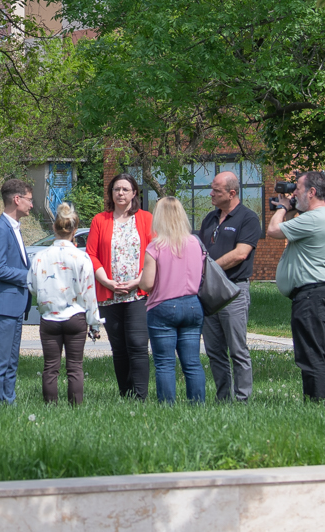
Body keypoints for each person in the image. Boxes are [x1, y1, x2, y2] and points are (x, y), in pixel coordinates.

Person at [268, 171, 325, 401]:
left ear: (312, 192)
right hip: (321, 294)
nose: (294, 194)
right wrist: (292, 208)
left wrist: (282, 208)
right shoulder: (322, 217)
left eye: (298, 189)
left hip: (312, 297)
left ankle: (316, 404)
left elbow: (273, 230)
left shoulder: (314, 219)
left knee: (310, 355)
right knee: (321, 353)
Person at [86, 173, 153, 399]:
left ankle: (140, 397)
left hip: (138, 293)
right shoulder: (100, 220)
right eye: (117, 189)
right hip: (110, 294)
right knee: (119, 348)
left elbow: (154, 253)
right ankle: (125, 394)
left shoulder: (146, 219)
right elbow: (91, 255)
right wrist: (107, 282)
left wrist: (139, 281)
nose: (121, 193)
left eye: (125, 189)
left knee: (137, 344)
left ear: (134, 193)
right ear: (111, 193)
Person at [197, 170, 262, 402]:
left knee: (237, 349)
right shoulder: (210, 218)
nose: (211, 194)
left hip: (234, 290)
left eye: (216, 190)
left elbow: (240, 254)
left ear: (232, 193)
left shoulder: (248, 218)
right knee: (214, 350)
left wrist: (209, 269)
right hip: (209, 292)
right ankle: (223, 398)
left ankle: (242, 399)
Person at [140, 196, 208, 404]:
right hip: (193, 304)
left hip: (163, 306)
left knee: (165, 363)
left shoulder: (156, 247)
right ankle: (198, 405)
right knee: (192, 362)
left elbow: (147, 284)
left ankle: (167, 406)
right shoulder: (195, 243)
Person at [31, 202, 100, 405]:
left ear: (54, 227)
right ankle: (75, 407)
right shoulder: (82, 257)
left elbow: (32, 285)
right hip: (75, 316)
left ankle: (50, 406)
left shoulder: (40, 257)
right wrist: (94, 323)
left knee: (50, 366)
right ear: (75, 230)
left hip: (49, 317)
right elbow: (89, 293)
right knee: (75, 367)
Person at [0, 177, 34, 403]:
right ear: (17, 199)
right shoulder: (0, 229)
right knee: (1, 359)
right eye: (29, 199)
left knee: (12, 360)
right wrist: (30, 277)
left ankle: (7, 402)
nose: (32, 204)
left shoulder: (13, 227)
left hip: (15, 305)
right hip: (3, 305)